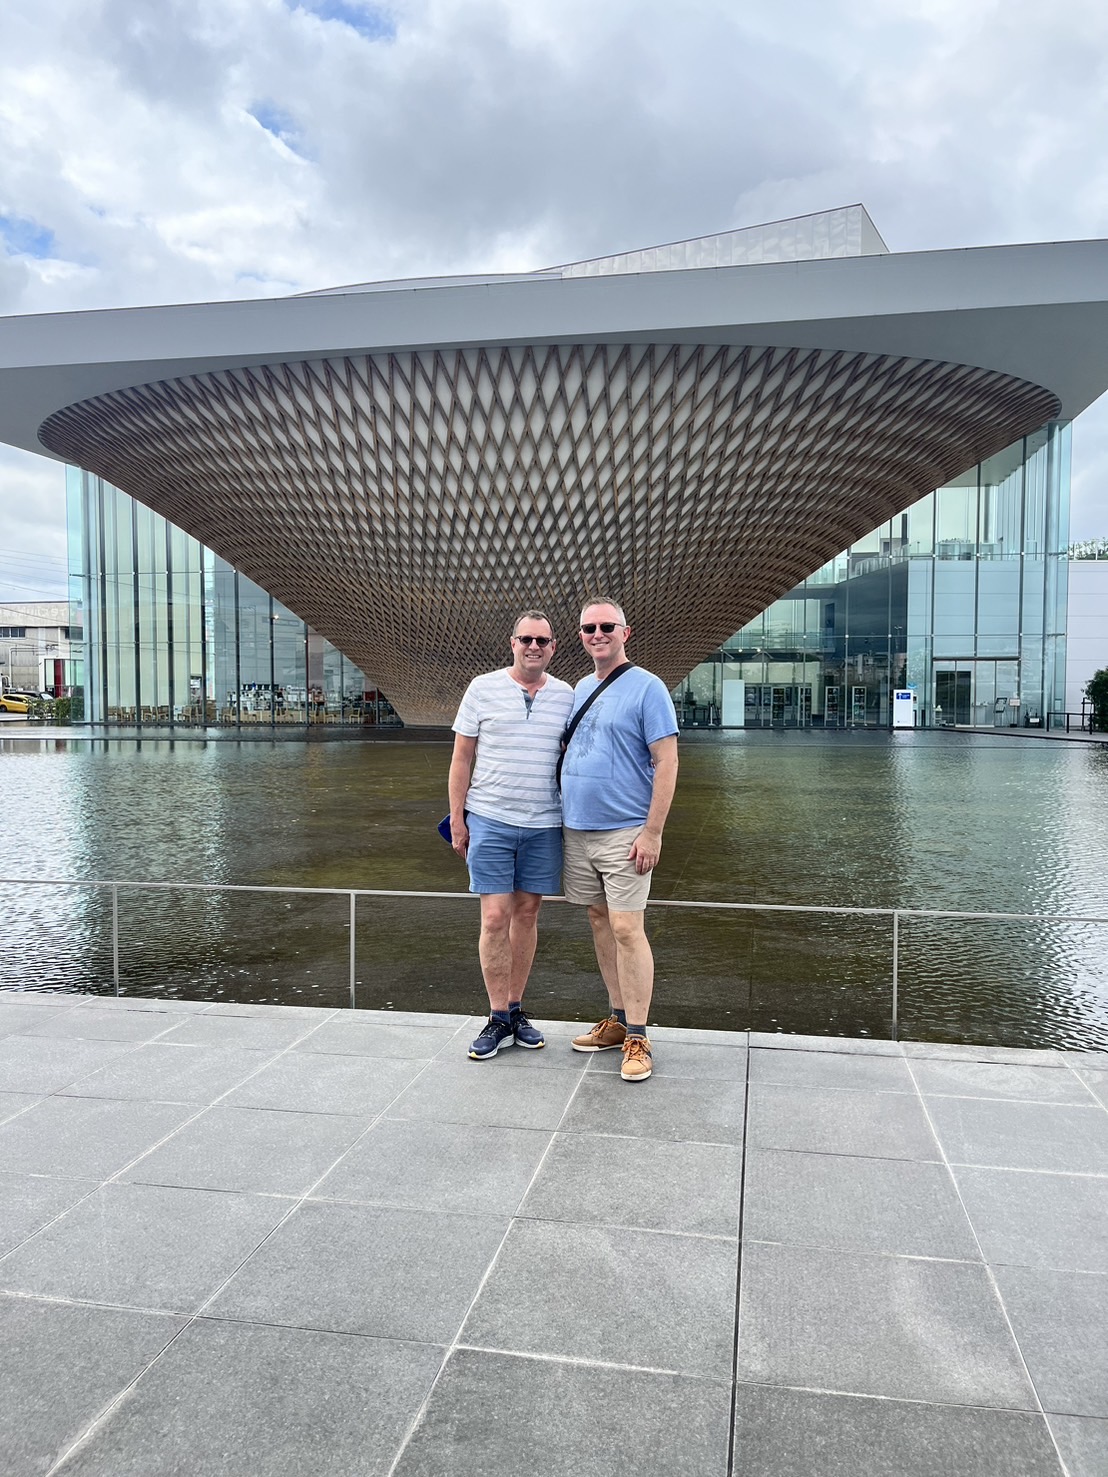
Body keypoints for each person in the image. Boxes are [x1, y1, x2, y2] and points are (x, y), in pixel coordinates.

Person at [560, 598, 679, 1081]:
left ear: (625, 633)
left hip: (626, 830)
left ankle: (638, 1035)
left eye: (607, 626)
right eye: (589, 627)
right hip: (578, 829)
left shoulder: (648, 688)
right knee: (598, 921)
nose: (597, 634)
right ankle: (615, 1018)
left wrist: (652, 832)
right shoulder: (580, 688)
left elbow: (666, 762)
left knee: (628, 928)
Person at [448, 610, 575, 1059]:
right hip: (491, 818)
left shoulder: (566, 695)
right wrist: (458, 819)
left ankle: (516, 1010)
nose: (533, 646)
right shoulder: (482, 688)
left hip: (544, 822)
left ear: (553, 647)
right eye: (526, 639)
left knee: (527, 916)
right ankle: (497, 1015)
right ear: (512, 642)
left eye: (542, 640)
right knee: (494, 918)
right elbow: (462, 758)